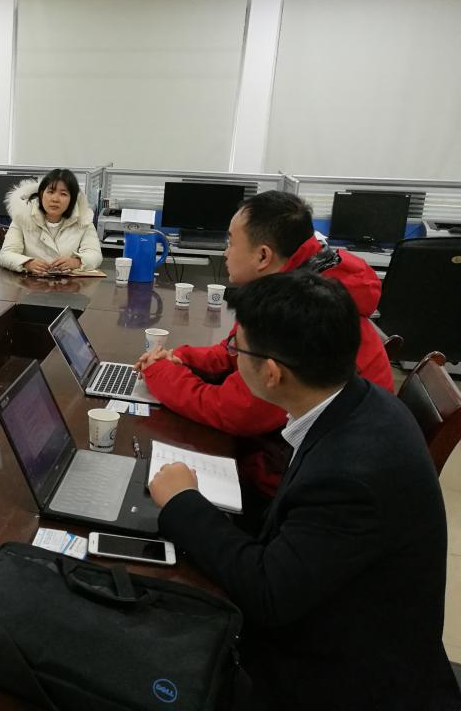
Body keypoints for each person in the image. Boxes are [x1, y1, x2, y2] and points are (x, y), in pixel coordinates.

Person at [148, 272, 460, 711]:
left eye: (237, 350)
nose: (232, 356)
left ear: (272, 373)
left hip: (341, 680)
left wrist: (183, 502)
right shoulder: (358, 400)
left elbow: (267, 593)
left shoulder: (350, 476)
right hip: (340, 619)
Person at [136, 190, 393, 496]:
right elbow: (236, 349)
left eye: (231, 242)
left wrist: (160, 372)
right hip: (297, 450)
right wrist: (182, 358)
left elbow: (234, 411)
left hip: (307, 479)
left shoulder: (301, 312)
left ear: (263, 256)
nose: (225, 252)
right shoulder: (297, 284)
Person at [0, 168, 102, 274]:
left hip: (68, 283)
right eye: (51, 192)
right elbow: (6, 255)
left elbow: (95, 255)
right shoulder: (23, 216)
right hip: (30, 282)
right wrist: (27, 263)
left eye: (63, 194)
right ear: (42, 194)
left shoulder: (83, 219)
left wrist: (76, 262)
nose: (55, 199)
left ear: (72, 199)